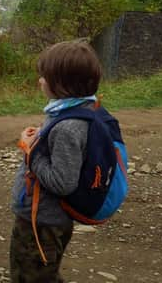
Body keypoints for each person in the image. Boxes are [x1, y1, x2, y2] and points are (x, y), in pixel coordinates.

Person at [10, 41, 103, 282]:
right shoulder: (74, 109)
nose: (40, 81)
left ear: (62, 84)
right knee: (45, 274)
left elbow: (63, 182)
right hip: (45, 220)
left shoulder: (68, 126)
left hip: (43, 222)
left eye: (45, 76)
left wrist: (32, 153)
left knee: (31, 276)